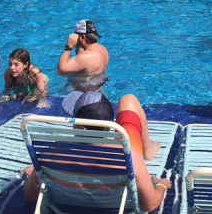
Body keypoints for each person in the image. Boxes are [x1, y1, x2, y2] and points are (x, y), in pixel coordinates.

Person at [23, 91, 170, 212]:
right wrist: (161, 186)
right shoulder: (129, 157)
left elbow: (30, 195)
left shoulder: (53, 154)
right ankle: (148, 150)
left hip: (67, 205)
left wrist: (36, 174)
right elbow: (149, 205)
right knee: (128, 99)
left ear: (79, 126)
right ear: (109, 127)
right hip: (117, 193)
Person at [57, 20, 108, 91]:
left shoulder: (86, 57)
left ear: (83, 37)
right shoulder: (103, 49)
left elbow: (60, 70)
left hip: (84, 94)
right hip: (97, 89)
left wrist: (69, 46)